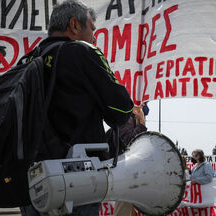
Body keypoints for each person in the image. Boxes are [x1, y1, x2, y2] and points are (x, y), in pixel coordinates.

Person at [21, 1, 134, 215]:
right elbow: (121, 111)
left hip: (32, 181)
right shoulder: (81, 52)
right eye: (92, 28)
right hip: (75, 181)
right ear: (74, 25)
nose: (94, 36)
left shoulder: (28, 59)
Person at [106, 103, 148, 216]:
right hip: (125, 171)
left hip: (129, 170)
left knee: (128, 206)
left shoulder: (130, 120)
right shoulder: (125, 120)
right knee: (123, 206)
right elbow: (130, 142)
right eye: (142, 103)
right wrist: (142, 124)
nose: (144, 106)